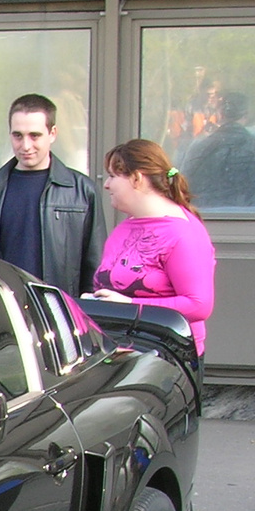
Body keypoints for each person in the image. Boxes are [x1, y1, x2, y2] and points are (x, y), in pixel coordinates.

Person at [0, 93, 107, 298]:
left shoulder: (81, 191)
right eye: (17, 135)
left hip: (60, 314)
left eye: (34, 135)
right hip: (4, 312)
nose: (25, 146)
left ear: (52, 133)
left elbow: (95, 270)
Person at [90, 138, 216, 356]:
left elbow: (199, 305)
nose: (106, 184)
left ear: (137, 178)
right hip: (121, 350)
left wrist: (130, 304)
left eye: (112, 175)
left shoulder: (183, 233)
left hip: (167, 356)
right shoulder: (126, 226)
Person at [181, 91, 255, 209]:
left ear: (220, 115)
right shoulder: (251, 144)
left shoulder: (199, 147)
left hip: (204, 217)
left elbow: (184, 186)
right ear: (246, 116)